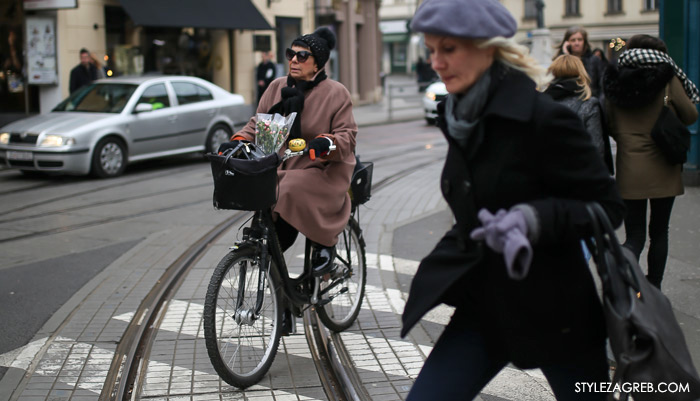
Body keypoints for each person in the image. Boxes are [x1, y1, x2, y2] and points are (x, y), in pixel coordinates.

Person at [400, 0, 625, 400]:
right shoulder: (460, 117)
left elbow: (607, 207)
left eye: (448, 49)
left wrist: (532, 220)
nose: (436, 62)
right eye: (431, 49)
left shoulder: (544, 118)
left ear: (488, 48)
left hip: (557, 311)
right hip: (485, 306)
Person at [228, 27, 357, 279]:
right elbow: (259, 122)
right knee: (271, 186)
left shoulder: (336, 92)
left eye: (302, 56)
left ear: (317, 64)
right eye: (291, 54)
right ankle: (279, 282)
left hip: (323, 170)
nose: (294, 60)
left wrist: (324, 143)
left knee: (286, 186)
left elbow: (347, 137)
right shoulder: (277, 87)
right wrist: (237, 141)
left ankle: (324, 243)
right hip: (283, 166)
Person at [602, 34, 699, 290]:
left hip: (629, 166)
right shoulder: (667, 78)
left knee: (634, 235)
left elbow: (608, 123)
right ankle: (652, 288)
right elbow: (690, 115)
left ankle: (621, 280)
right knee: (659, 231)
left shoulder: (614, 79)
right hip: (664, 166)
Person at [544, 54, 613, 173]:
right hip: (579, 173)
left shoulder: (541, 102)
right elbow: (596, 148)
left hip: (547, 174)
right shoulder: (589, 104)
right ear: (581, 73)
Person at [554, 26, 606, 98]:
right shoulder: (559, 60)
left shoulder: (594, 60)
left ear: (584, 42)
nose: (577, 43)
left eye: (580, 40)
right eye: (573, 40)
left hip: (591, 100)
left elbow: (602, 85)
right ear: (567, 43)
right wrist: (565, 55)